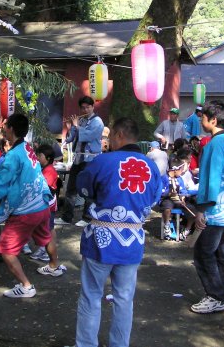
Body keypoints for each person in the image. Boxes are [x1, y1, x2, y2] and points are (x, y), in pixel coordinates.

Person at [70, 117, 162, 347]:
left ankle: (86, 345)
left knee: (91, 296)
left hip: (101, 239)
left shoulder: (104, 161)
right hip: (132, 240)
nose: (108, 141)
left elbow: (83, 186)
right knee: (124, 299)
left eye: (110, 137)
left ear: (119, 135)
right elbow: (155, 197)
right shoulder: (151, 166)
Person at [0, 114, 65, 298]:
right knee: (46, 236)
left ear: (10, 129)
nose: (4, 130)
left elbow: (1, 182)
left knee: (6, 249)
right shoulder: (27, 147)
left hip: (25, 211)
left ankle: (26, 286)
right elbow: (9, 175)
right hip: (41, 206)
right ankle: (54, 266)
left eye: (6, 127)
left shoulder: (13, 154)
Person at [190, 100, 224, 314]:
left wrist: (201, 209)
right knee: (223, 253)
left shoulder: (214, 143)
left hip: (216, 209)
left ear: (213, 120)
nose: (200, 120)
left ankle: (215, 296)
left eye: (203, 117)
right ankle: (223, 295)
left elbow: (211, 179)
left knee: (204, 253)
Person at [56, 96, 104, 226]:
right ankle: (67, 217)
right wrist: (70, 127)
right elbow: (72, 139)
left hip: (90, 158)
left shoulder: (98, 122)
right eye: (83, 107)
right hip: (78, 158)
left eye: (88, 107)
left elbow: (89, 136)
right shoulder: (81, 121)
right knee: (71, 188)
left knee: (88, 189)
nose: (85, 109)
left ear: (93, 107)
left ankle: (87, 218)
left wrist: (77, 127)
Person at [30, 144, 63, 265]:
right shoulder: (45, 169)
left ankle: (45, 251)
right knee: (48, 228)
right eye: (37, 155)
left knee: (46, 229)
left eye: (40, 155)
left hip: (47, 205)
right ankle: (43, 249)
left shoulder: (49, 171)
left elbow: (45, 189)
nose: (38, 157)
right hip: (46, 205)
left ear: (48, 158)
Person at [160, 157, 196, 241]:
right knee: (167, 207)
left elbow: (183, 190)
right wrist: (169, 193)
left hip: (178, 200)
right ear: (175, 170)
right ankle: (167, 226)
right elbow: (159, 192)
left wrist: (183, 198)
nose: (182, 172)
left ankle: (186, 230)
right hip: (167, 199)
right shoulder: (163, 178)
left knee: (193, 210)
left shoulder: (179, 179)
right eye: (181, 170)